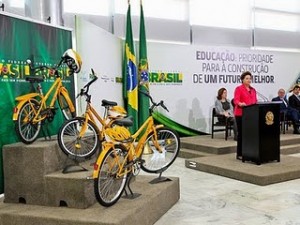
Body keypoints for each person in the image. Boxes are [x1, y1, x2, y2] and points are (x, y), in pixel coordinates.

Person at [233, 71, 257, 160]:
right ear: (242, 80)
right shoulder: (239, 89)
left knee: (250, 134)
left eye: (250, 78)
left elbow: (255, 101)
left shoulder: (253, 90)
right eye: (246, 78)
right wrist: (240, 103)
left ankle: (249, 152)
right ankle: (239, 153)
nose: (249, 80)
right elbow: (236, 100)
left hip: (251, 115)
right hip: (240, 114)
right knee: (242, 134)